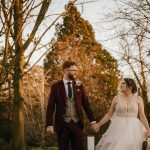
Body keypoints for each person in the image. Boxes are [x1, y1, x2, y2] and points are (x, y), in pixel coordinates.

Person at [46, 60, 99, 150]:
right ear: (66, 71)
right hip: (62, 125)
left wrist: (93, 121)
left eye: (76, 70)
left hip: (77, 124)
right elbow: (50, 107)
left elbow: (86, 104)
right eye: (73, 70)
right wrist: (49, 124)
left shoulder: (79, 85)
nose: (75, 72)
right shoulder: (56, 86)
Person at [95, 78, 150, 150]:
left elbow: (142, 115)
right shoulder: (116, 98)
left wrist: (148, 130)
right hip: (118, 127)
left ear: (130, 86)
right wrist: (99, 124)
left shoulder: (138, 99)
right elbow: (109, 114)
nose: (121, 85)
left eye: (123, 83)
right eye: (121, 83)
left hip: (134, 129)